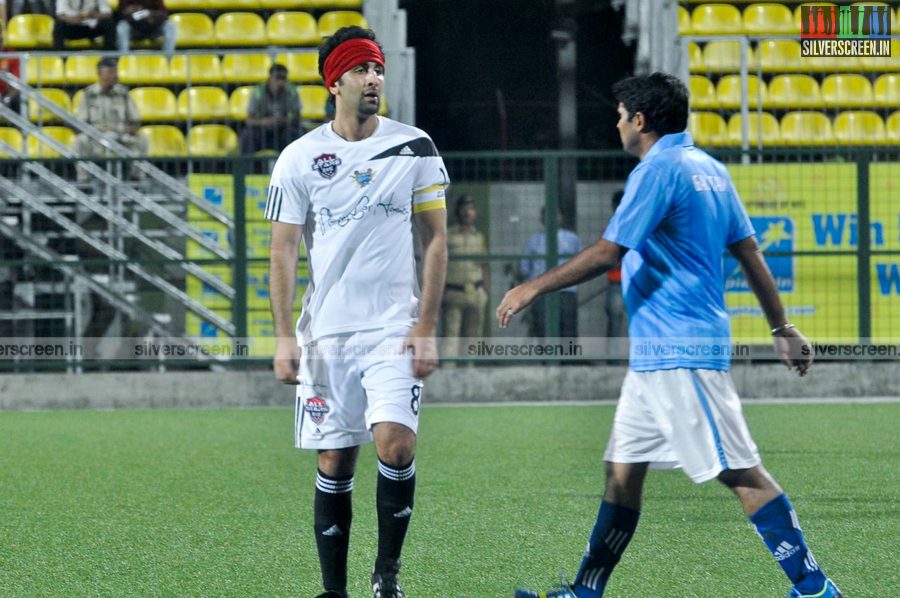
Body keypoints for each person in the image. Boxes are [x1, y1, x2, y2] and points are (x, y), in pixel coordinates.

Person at [498, 72, 842, 598]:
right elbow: (749, 252)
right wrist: (782, 326)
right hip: (657, 360)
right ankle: (587, 590)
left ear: (639, 121)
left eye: (619, 115)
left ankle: (816, 588)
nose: (616, 125)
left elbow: (610, 250)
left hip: (681, 352)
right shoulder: (710, 170)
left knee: (741, 472)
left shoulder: (657, 170)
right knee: (622, 471)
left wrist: (533, 287)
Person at [266, 26, 448, 598]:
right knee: (335, 461)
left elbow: (437, 239)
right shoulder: (298, 158)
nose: (374, 79)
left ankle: (387, 575)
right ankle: (333, 590)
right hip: (326, 334)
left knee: (396, 444)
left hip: (394, 327)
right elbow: (283, 249)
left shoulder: (414, 145)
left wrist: (425, 327)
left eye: (378, 69)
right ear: (335, 81)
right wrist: (281, 336)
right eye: (362, 70)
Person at [73, 57, 148, 180]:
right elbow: (82, 122)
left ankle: (137, 178)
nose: (114, 76)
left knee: (142, 139)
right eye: (110, 73)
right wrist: (99, 132)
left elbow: (135, 120)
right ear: (100, 75)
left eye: (115, 72)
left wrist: (126, 131)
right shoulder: (88, 94)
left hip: (121, 136)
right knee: (80, 141)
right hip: (96, 137)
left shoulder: (123, 93)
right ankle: (84, 180)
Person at [518, 208, 581, 339]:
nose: (552, 219)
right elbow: (523, 268)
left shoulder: (572, 239)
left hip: (566, 291)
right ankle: (547, 359)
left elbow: (582, 265)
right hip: (541, 292)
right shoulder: (533, 241)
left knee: (568, 331)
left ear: (561, 218)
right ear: (542, 219)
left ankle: (568, 360)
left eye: (555, 215)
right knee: (542, 330)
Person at [441, 194, 488, 367]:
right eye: (464, 208)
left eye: (471, 208)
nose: (467, 212)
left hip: (475, 291)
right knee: (451, 335)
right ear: (457, 211)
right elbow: (440, 263)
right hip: (454, 291)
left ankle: (470, 368)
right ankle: (448, 371)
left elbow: (484, 264)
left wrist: (485, 290)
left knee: (473, 335)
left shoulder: (479, 237)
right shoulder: (448, 235)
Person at [239, 63, 303, 155]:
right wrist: (265, 121)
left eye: (283, 78)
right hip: (262, 131)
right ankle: (248, 167)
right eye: (277, 78)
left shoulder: (291, 91)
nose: (280, 82)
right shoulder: (258, 91)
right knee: (247, 136)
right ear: (270, 78)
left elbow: (297, 118)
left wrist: (284, 121)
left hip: (283, 130)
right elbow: (249, 121)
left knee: (297, 134)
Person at [604, 190, 626, 344]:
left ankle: (614, 359)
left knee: (616, 324)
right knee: (615, 323)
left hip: (623, 282)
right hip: (617, 282)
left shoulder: (611, 229)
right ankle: (613, 359)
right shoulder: (610, 229)